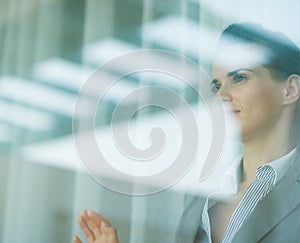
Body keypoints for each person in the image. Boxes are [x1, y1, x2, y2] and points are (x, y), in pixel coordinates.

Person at [73, 22, 300, 243]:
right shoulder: (202, 197)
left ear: (289, 90)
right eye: (216, 86)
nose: (221, 96)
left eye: (239, 78)